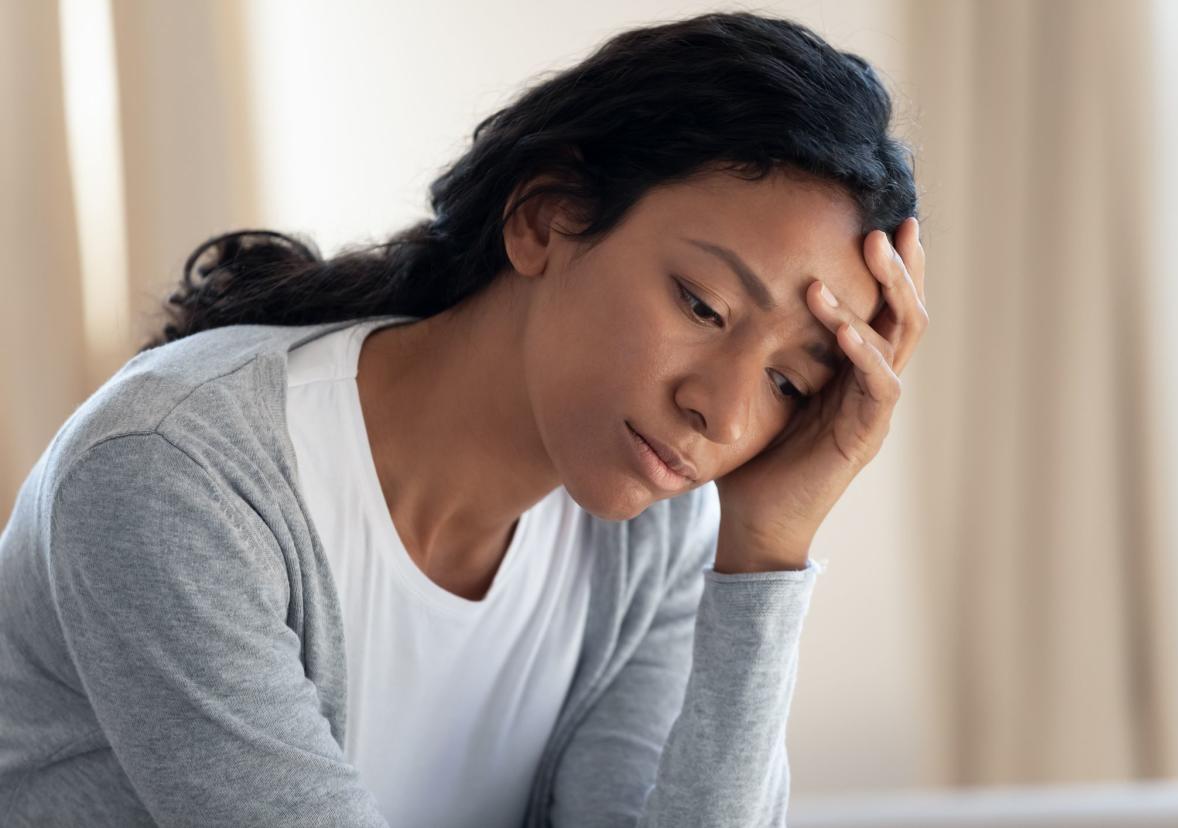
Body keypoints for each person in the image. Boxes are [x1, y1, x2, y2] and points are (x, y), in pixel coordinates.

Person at [0, 10, 927, 827]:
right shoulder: (177, 474)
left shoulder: (656, 533)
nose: (722, 414)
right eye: (702, 306)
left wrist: (764, 551)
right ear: (544, 218)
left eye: (790, 385)